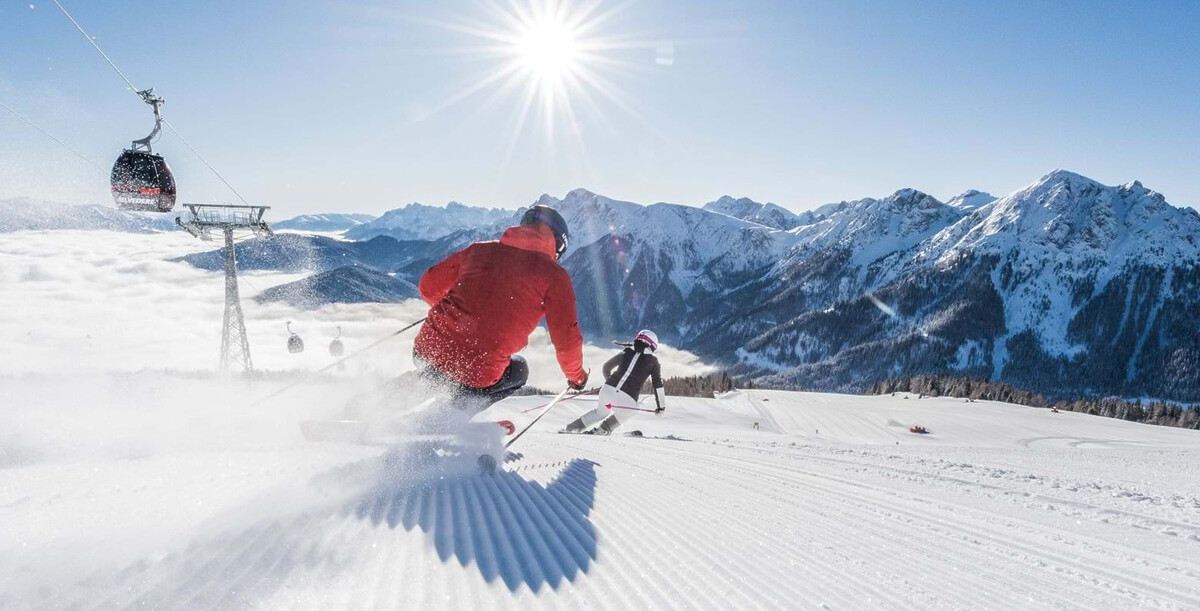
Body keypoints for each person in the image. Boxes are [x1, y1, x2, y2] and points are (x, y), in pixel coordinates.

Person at [410, 205, 589, 412]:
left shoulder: (478, 250)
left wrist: (455, 312)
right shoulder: (555, 276)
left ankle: (379, 404)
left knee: (435, 372)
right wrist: (577, 377)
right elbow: (566, 340)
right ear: (557, 244)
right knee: (519, 370)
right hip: (477, 373)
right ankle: (448, 419)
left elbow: (428, 286)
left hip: (426, 349)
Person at [563, 329, 665, 435]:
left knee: (599, 413)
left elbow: (606, 367)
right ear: (652, 345)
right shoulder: (653, 361)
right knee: (634, 409)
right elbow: (657, 385)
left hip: (606, 392)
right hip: (627, 400)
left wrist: (611, 384)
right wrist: (661, 407)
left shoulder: (626, 351)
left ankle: (572, 428)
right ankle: (603, 430)